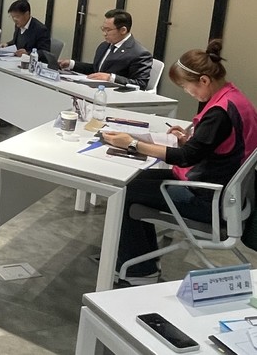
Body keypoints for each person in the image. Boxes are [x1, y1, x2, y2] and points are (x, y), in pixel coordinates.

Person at [102, 39, 257, 285]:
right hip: (225, 193)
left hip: (206, 198)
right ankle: (140, 261)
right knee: (134, 181)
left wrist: (132, 143)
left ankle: (140, 271)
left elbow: (185, 158)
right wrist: (189, 140)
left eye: (186, 87)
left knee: (123, 190)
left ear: (204, 80)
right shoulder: (235, 99)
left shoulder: (218, 113)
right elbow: (217, 147)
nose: (188, 92)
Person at [59, 9, 152, 89]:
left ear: (123, 30)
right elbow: (97, 70)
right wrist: (72, 64)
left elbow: (140, 84)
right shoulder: (104, 46)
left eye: (108, 30)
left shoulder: (140, 53)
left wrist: (111, 78)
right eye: (103, 29)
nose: (104, 33)